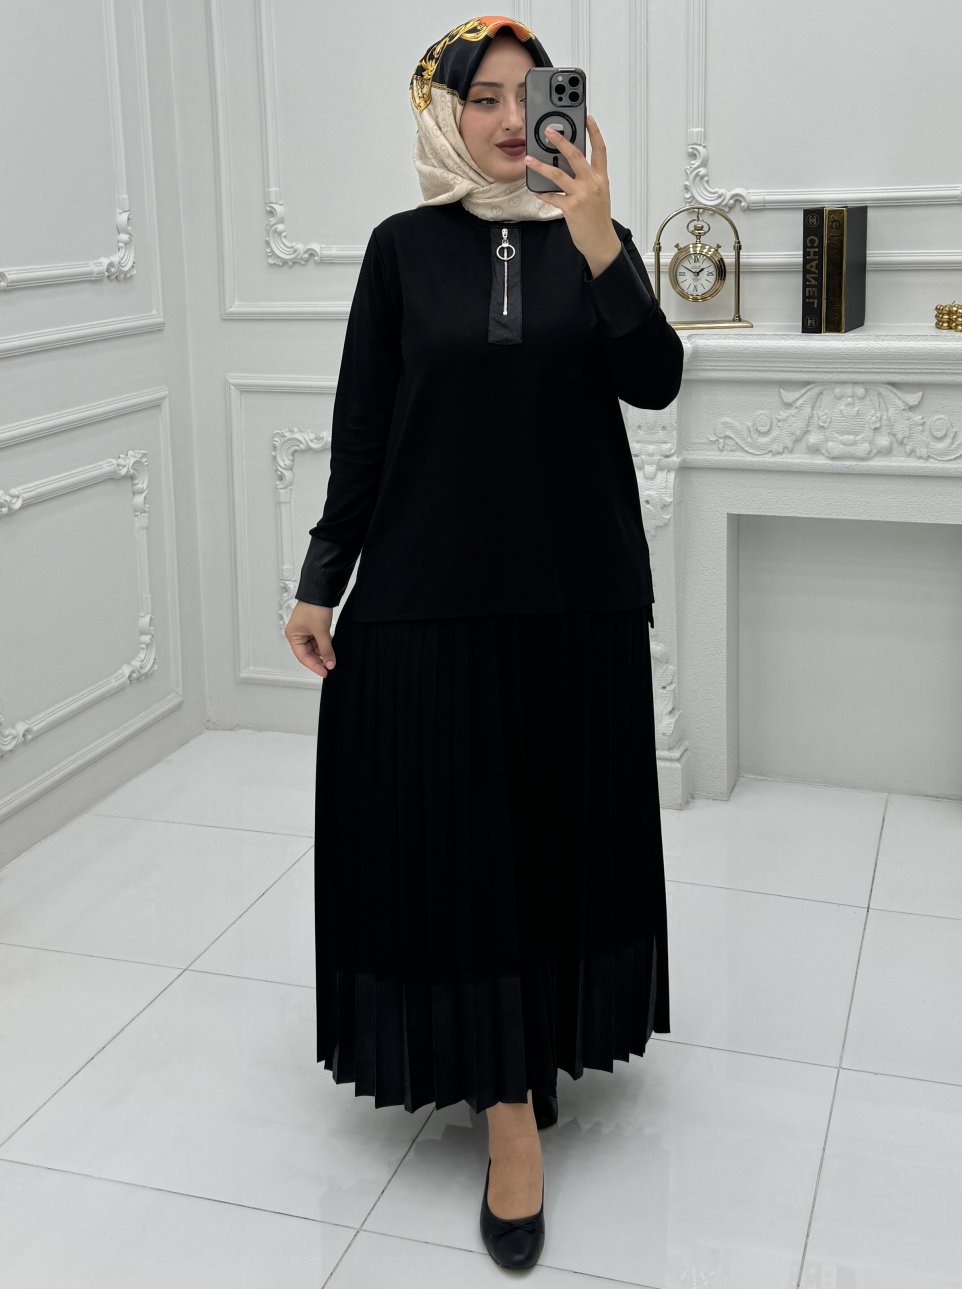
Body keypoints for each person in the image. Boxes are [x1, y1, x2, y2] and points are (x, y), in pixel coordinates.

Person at [284, 15, 683, 1271]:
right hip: (432, 598)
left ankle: (522, 1043)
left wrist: (600, 236)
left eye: (531, 94)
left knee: (547, 829)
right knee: (459, 837)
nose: (513, 120)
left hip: (575, 596)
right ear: (445, 112)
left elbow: (656, 379)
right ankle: (507, 1116)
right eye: (485, 98)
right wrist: (321, 579)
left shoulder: (588, 234)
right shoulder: (401, 250)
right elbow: (363, 427)